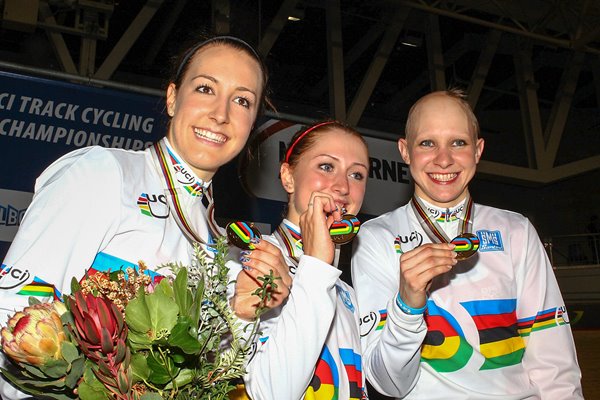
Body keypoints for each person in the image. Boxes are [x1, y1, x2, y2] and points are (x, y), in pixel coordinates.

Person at [0, 35, 290, 398]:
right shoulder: (105, 173)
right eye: (205, 88)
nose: (221, 114)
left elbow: (213, 377)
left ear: (251, 125)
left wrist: (244, 313)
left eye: (242, 101)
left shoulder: (219, 243)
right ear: (172, 98)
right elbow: (13, 313)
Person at [351, 89, 583, 399]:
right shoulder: (375, 237)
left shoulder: (516, 231)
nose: (444, 159)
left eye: (458, 143)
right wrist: (406, 307)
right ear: (405, 152)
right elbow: (390, 384)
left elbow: (555, 364)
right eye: (427, 143)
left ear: (478, 150)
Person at [240, 121, 370, 399]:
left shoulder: (346, 291)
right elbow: (271, 393)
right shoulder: (250, 262)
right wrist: (317, 267)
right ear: (288, 177)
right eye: (326, 167)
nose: (343, 187)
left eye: (357, 175)